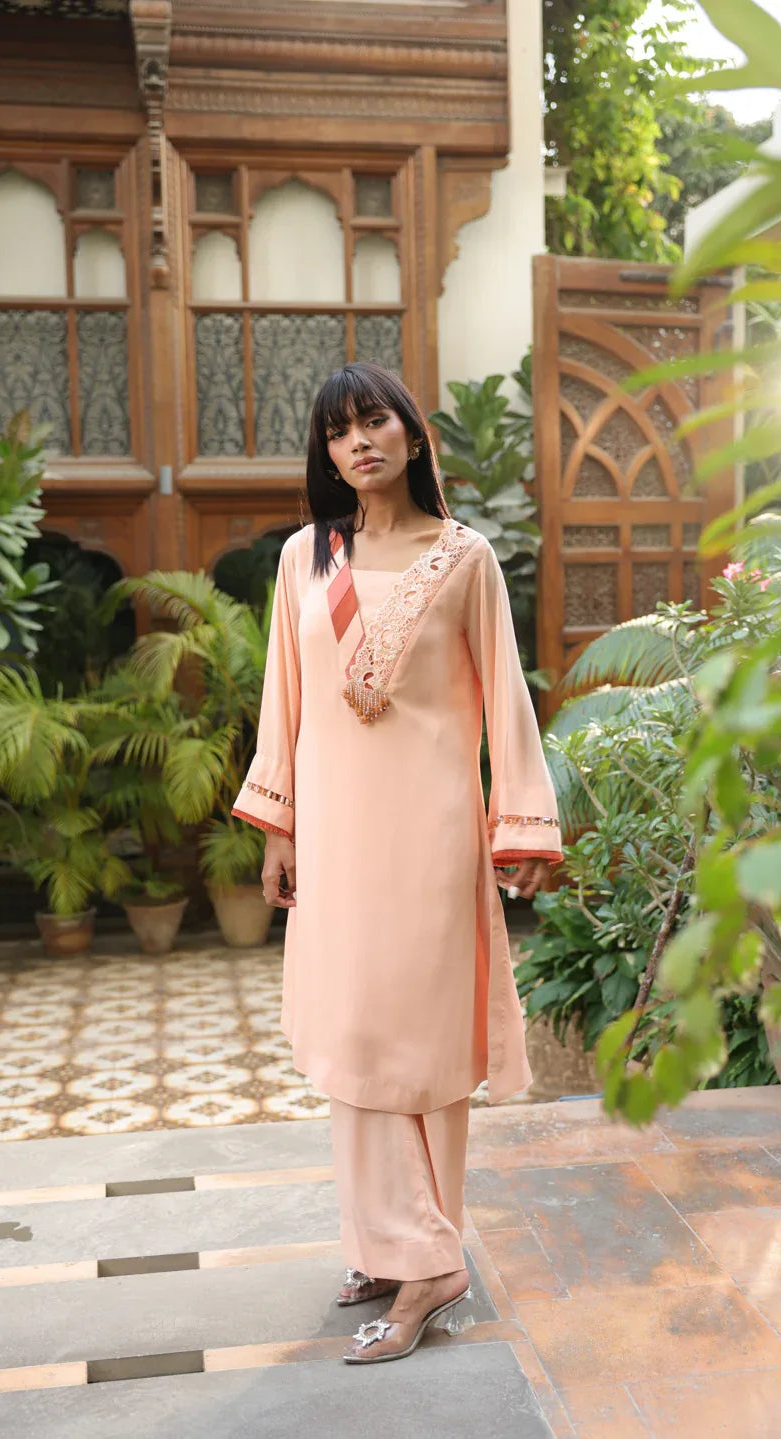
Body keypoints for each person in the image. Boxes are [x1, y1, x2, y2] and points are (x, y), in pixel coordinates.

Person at [231, 362, 562, 1364]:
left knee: (417, 1042)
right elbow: (284, 698)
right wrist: (280, 826)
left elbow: (506, 698)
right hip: (336, 836)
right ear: (327, 454)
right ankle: (386, 1244)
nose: (357, 442)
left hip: (430, 838)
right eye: (338, 431)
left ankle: (426, 1261)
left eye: (373, 421)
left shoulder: (466, 558)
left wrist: (521, 823)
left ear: (412, 435)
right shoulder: (305, 556)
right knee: (353, 1028)